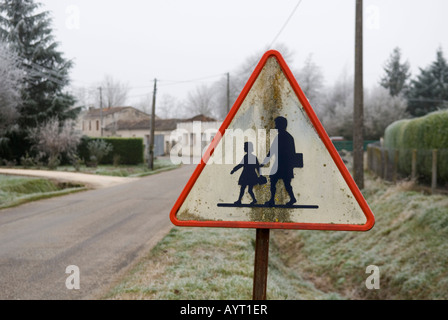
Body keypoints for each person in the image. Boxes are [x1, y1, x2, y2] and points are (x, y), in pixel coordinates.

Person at [262, 116, 297, 206]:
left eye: (277, 125)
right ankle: (290, 198)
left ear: (282, 125)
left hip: (282, 165)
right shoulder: (288, 137)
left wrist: (264, 162)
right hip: (284, 165)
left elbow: (272, 151)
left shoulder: (281, 137)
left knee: (276, 182)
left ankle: (276, 200)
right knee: (281, 183)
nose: (275, 127)